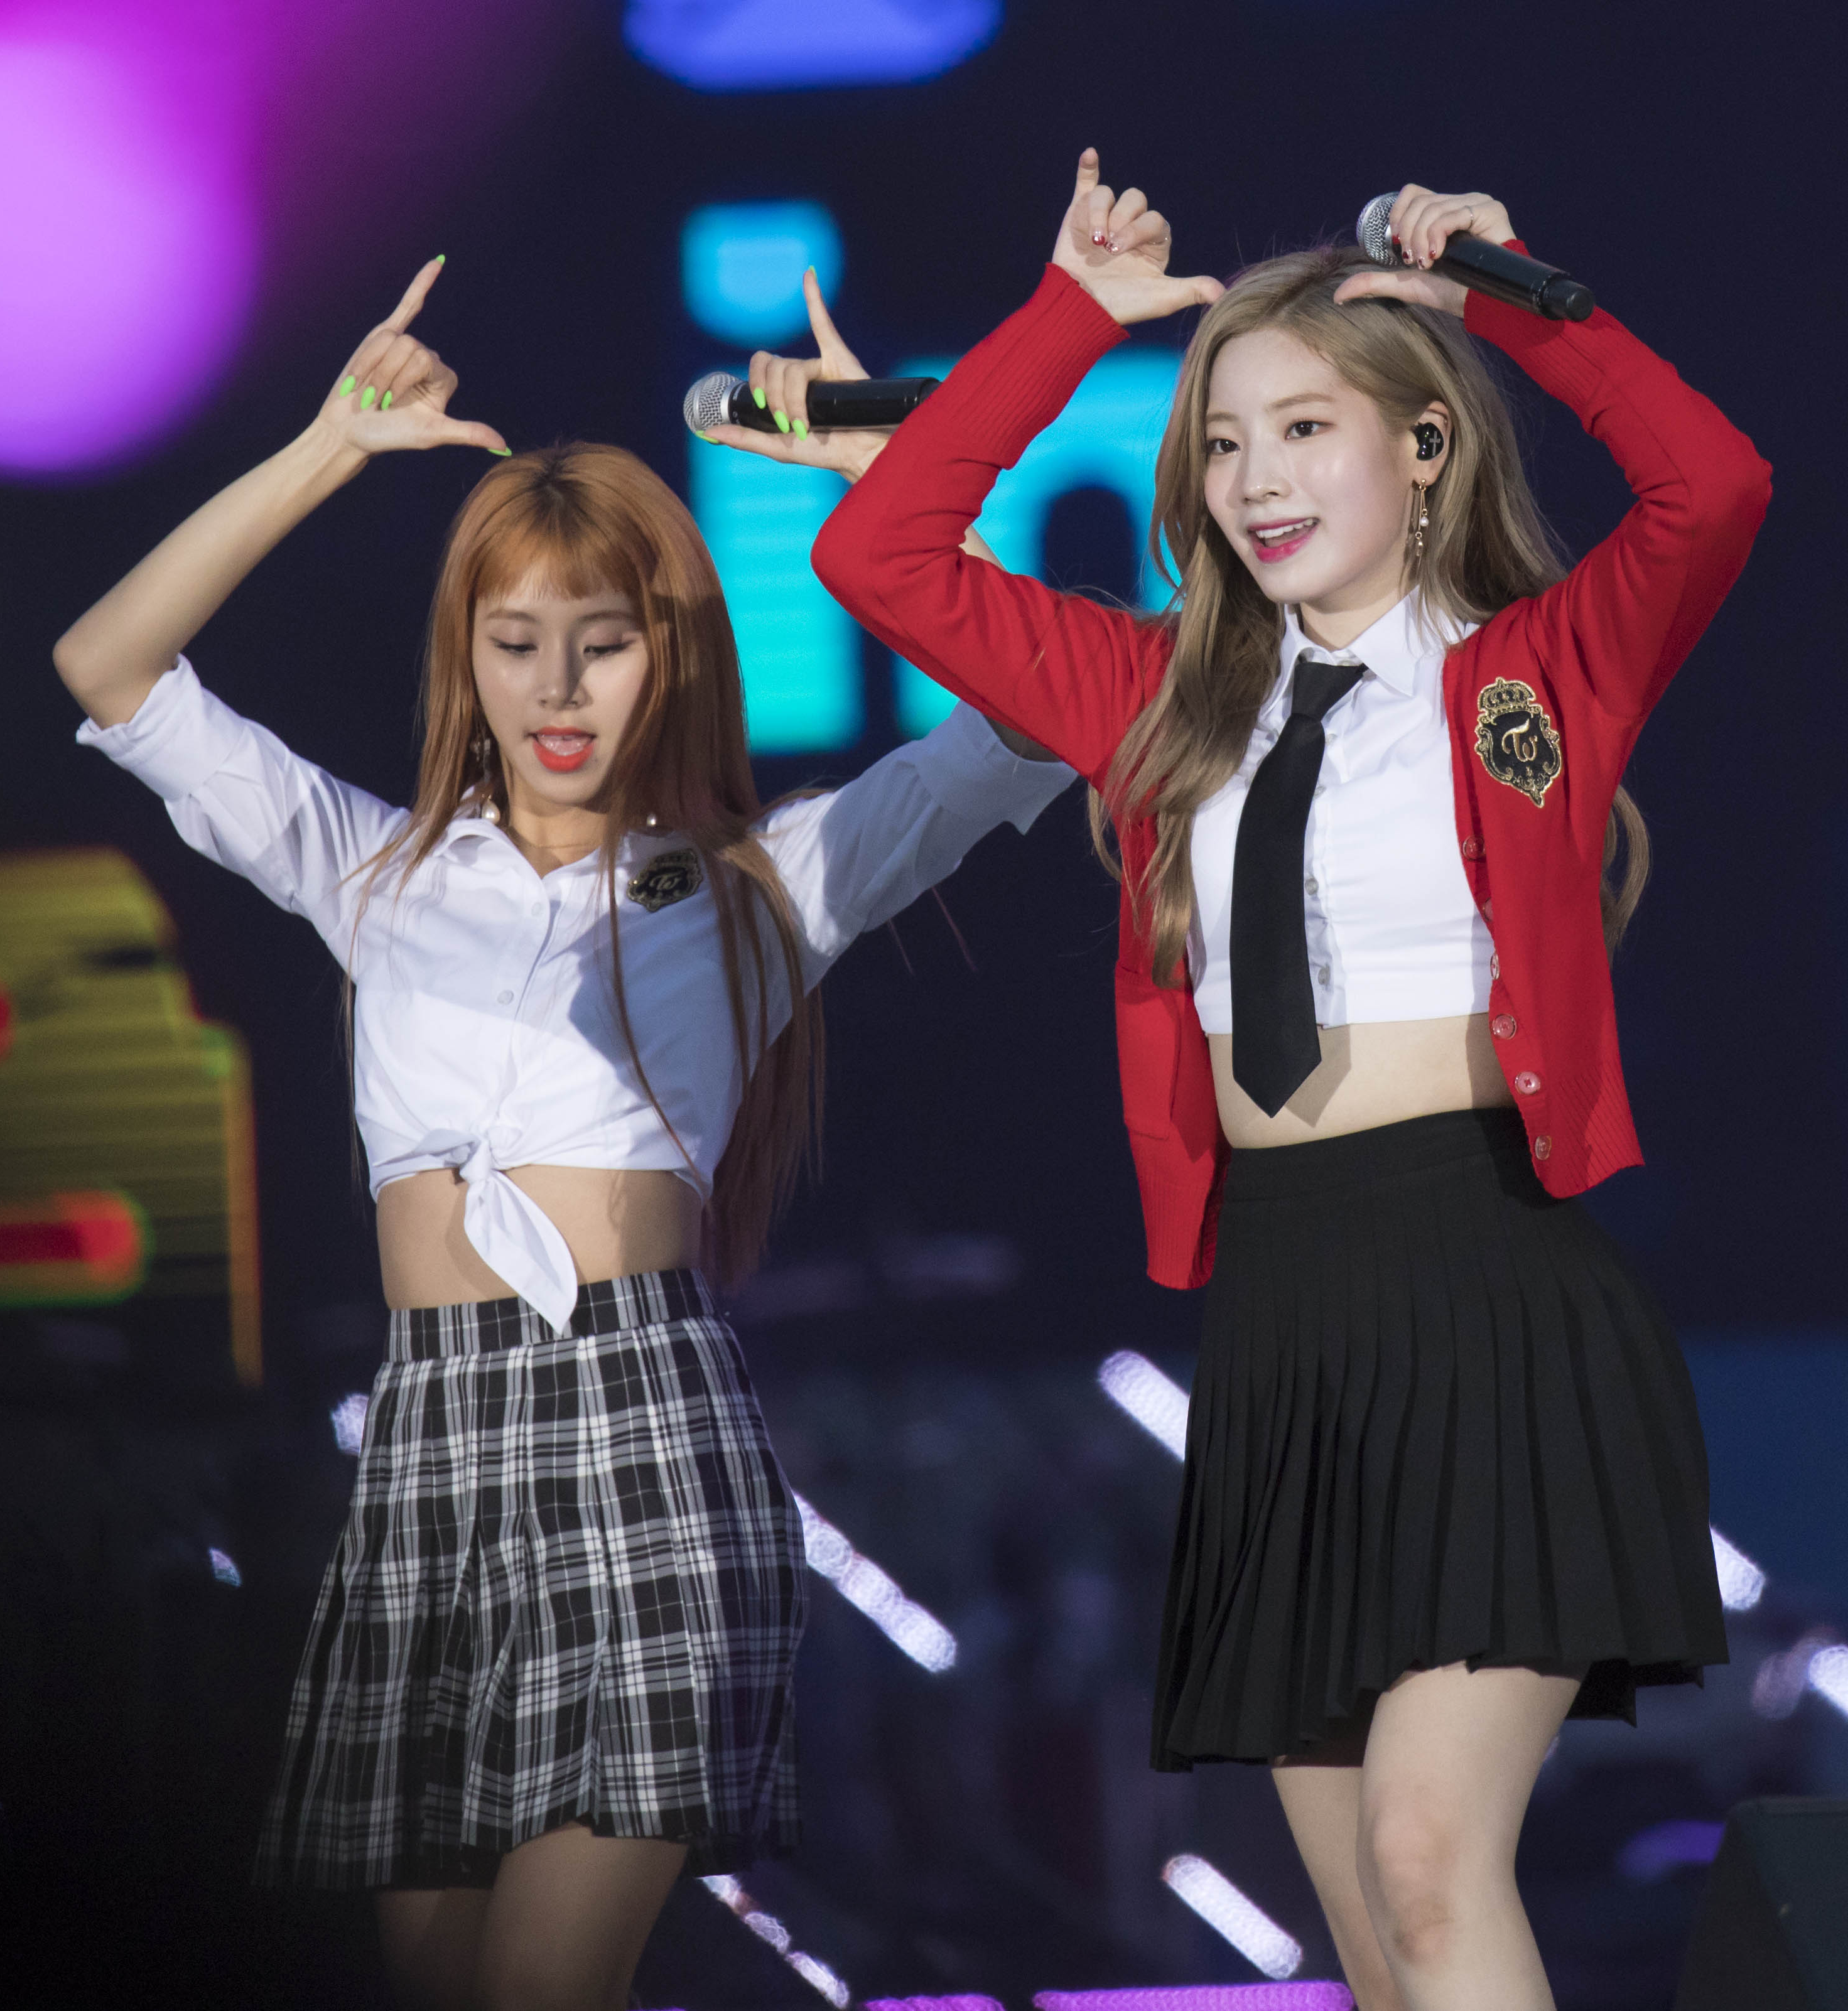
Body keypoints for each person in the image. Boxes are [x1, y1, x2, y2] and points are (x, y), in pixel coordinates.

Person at [712, 161, 1770, 2009]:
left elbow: (1714, 486)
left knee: (1431, 1864)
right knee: (1369, 1926)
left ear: (1425, 450)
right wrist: (1068, 323)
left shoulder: (1535, 671)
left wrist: (1507, 295)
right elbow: (880, 560)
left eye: (1303, 428)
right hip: (1282, 1327)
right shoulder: (1161, 700)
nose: (1255, 479)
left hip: (1490, 1290)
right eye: (1219, 442)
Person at [54, 257, 1073, 2011]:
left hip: (641, 1430)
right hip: (431, 1446)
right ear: (464, 656)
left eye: (602, 639)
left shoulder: (759, 886)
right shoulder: (375, 871)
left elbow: (1042, 711)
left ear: (664, 649)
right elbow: (109, 663)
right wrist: (327, 449)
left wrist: (892, 482)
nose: (559, 685)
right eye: (515, 641)